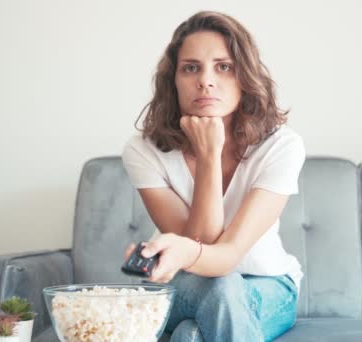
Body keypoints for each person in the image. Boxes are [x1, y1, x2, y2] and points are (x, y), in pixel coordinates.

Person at [121, 10, 305, 342]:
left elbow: (228, 256)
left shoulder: (281, 146)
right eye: (191, 68)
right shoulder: (143, 150)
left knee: (192, 332)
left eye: (223, 67)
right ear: (173, 81)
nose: (205, 80)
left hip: (266, 283)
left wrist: (207, 153)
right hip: (185, 282)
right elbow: (200, 247)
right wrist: (209, 156)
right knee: (219, 288)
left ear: (244, 77)